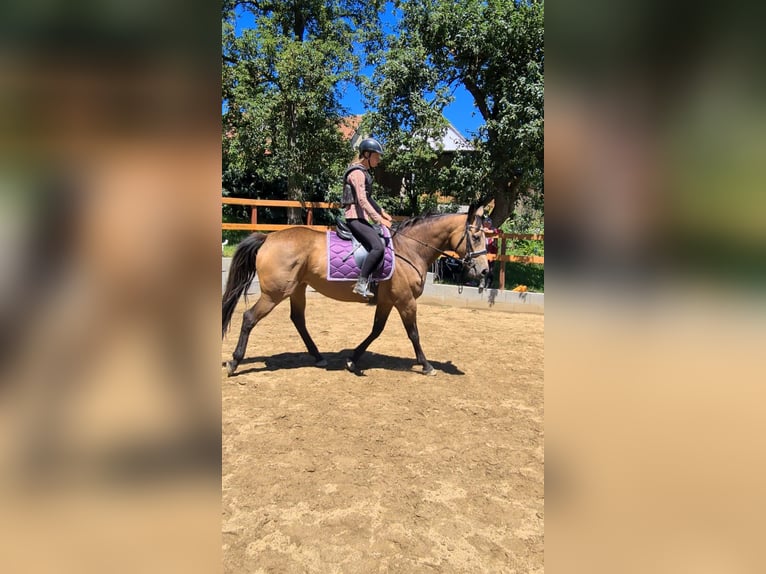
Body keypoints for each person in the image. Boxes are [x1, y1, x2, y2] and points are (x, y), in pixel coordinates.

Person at [342, 137, 393, 298]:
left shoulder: (362, 172)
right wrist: (379, 219)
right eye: (376, 156)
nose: (378, 160)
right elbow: (362, 201)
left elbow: (368, 197)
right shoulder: (357, 173)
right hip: (354, 219)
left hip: (361, 218)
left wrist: (381, 210)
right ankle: (361, 283)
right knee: (378, 247)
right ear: (366, 155)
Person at [482, 216, 499, 287]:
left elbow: (499, 231)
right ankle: (480, 282)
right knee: (481, 268)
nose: (487, 224)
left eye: (488, 223)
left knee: (490, 269)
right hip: (482, 252)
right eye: (485, 223)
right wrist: (483, 230)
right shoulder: (480, 229)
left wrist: (490, 231)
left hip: (491, 252)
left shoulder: (493, 230)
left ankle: (489, 283)